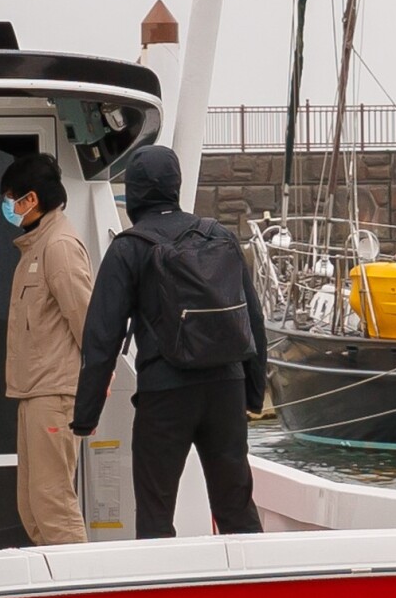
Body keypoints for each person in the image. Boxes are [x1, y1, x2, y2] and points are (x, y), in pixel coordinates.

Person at [70, 144, 268, 538]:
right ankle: (251, 593)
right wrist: (252, 394)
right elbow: (254, 321)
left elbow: (101, 339)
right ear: (175, 186)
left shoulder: (130, 247)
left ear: (136, 191)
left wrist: (86, 416)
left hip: (166, 394)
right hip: (225, 389)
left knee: (156, 512)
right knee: (236, 508)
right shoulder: (219, 236)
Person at [0, 152, 94, 545]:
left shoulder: (59, 247)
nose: (6, 207)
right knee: (32, 506)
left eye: (9, 199)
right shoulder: (35, 247)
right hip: (34, 391)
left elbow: (89, 322)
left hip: (55, 394)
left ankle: (82, 596)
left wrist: (95, 387)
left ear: (30, 200)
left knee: (53, 503)